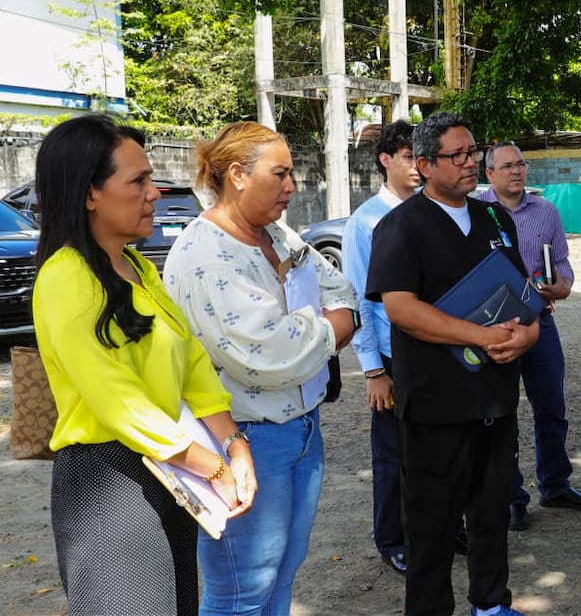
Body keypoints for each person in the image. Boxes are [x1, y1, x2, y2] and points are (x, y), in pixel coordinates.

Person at [32, 114, 256, 615]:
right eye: (138, 181)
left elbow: (192, 362)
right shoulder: (65, 276)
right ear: (90, 193)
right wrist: (214, 467)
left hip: (170, 470)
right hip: (108, 485)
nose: (154, 193)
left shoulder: (136, 268)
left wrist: (232, 444)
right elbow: (119, 403)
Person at [164, 121, 358, 615]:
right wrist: (332, 326)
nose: (292, 185)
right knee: (242, 588)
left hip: (300, 427)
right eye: (280, 174)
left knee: (282, 571)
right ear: (237, 175)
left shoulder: (274, 233)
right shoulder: (206, 255)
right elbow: (272, 355)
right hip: (246, 437)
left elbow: (342, 291)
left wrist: (323, 324)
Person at [366, 112, 537, 616]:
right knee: (431, 527)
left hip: (494, 400)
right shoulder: (401, 226)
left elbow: (524, 296)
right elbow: (402, 309)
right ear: (424, 165)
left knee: (491, 514)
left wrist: (526, 336)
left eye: (473, 152)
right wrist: (480, 336)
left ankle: (491, 603)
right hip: (435, 406)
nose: (470, 163)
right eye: (456, 155)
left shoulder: (495, 219)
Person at [477, 141, 581, 532]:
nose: (517, 171)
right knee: (501, 413)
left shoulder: (546, 211)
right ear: (489, 174)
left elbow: (562, 264)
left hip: (541, 322)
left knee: (551, 406)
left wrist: (562, 286)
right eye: (507, 166)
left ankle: (555, 485)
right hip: (495, 327)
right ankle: (511, 497)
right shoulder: (476, 211)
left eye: (521, 164)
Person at [343, 119, 420, 573]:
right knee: (393, 453)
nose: (416, 166)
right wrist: (373, 370)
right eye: (408, 157)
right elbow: (358, 299)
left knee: (436, 447)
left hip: (435, 349)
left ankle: (438, 528)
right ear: (385, 160)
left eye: (420, 157)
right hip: (392, 355)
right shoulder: (366, 221)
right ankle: (393, 538)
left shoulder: (431, 211)